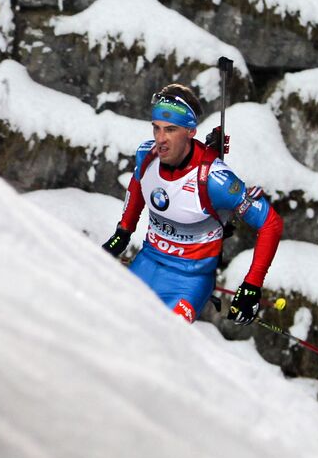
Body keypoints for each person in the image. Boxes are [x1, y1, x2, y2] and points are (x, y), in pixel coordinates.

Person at [101, 83, 282, 324]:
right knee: (108, 326)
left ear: (190, 131)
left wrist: (252, 285)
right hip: (147, 262)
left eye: (171, 130)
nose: (160, 140)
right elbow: (137, 186)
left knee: (157, 342)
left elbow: (270, 222)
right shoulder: (147, 156)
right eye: (156, 128)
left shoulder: (215, 179)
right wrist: (123, 231)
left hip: (189, 280)